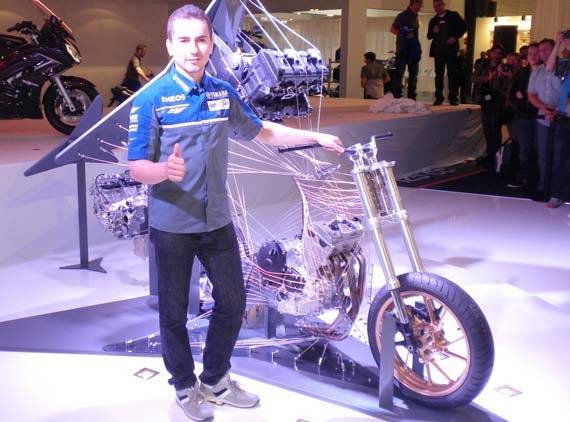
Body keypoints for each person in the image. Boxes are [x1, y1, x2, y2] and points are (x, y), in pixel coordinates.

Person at [127, 5, 344, 421]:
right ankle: (184, 385)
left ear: (212, 45)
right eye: (184, 40)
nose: (193, 49)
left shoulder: (221, 93)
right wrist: (163, 170)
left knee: (234, 300)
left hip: (217, 220)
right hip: (172, 224)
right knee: (173, 312)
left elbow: (263, 131)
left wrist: (315, 136)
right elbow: (137, 166)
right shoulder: (151, 99)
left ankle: (215, 380)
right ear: (169, 45)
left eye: (201, 40)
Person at [527, 38, 564, 207]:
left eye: (546, 49)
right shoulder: (537, 71)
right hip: (543, 119)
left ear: (555, 49)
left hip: (562, 118)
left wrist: (556, 111)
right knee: (543, 156)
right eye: (540, 50)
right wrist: (545, 108)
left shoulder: (564, 67)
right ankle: (543, 187)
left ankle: (557, 191)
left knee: (559, 156)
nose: (543, 53)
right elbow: (531, 94)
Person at [506, 43, 539, 190]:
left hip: (541, 116)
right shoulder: (522, 73)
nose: (532, 56)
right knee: (525, 149)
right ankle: (524, 177)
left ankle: (538, 180)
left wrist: (524, 96)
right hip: (524, 115)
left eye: (535, 53)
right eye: (530, 53)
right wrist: (518, 99)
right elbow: (512, 93)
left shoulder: (546, 71)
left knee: (540, 150)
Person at [472, 43, 505, 172]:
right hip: (484, 98)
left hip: (496, 100)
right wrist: (487, 78)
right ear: (490, 53)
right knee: (487, 129)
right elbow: (474, 78)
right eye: (494, 52)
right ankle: (490, 156)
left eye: (499, 53)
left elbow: (504, 84)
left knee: (495, 129)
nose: (496, 55)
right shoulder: (483, 64)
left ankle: (496, 157)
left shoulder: (503, 67)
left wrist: (500, 75)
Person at [426, 0, 466, 106]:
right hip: (438, 51)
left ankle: (453, 98)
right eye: (435, 6)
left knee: (452, 74)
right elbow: (429, 36)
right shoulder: (433, 20)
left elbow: (463, 27)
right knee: (438, 75)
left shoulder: (453, 16)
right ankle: (439, 98)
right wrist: (434, 31)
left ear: (444, 5)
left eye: (439, 5)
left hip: (451, 51)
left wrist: (455, 37)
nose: (437, 8)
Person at [390, 0, 423, 100]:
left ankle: (412, 97)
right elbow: (393, 29)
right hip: (403, 50)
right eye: (420, 4)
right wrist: (403, 34)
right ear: (414, 3)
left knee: (413, 75)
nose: (421, 6)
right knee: (399, 74)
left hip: (414, 50)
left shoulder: (416, 17)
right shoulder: (402, 16)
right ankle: (397, 97)